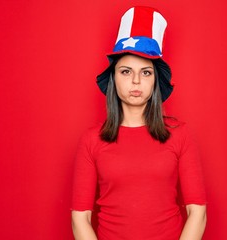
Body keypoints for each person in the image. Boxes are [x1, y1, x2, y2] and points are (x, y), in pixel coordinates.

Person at [71, 6, 207, 240]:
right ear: (114, 77)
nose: (135, 80)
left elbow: (198, 211)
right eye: (126, 71)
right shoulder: (92, 139)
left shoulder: (180, 134)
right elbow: (79, 217)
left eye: (145, 72)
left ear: (155, 81)